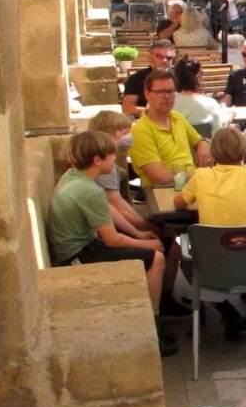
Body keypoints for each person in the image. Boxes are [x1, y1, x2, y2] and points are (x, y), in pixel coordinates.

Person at [46, 131, 177, 356]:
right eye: (111, 155)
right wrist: (149, 246)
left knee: (155, 246)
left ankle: (160, 308)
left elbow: (107, 211)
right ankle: (151, 327)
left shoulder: (74, 176)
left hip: (81, 246)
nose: (115, 159)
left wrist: (138, 233)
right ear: (97, 160)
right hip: (78, 254)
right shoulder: (90, 190)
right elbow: (112, 239)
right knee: (157, 259)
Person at [174, 127, 246, 341]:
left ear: (212, 154)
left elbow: (178, 203)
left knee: (188, 260)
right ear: (244, 153)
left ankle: (227, 313)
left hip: (212, 270)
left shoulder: (201, 176)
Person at [86, 110, 186, 312]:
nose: (128, 138)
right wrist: (147, 228)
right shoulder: (104, 171)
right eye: (123, 133)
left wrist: (145, 228)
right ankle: (161, 306)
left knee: (166, 237)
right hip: (96, 241)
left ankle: (164, 300)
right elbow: (119, 210)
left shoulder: (104, 168)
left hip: (102, 233)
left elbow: (117, 209)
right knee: (169, 243)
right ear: (108, 136)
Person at [128, 69, 212, 187]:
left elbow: (198, 140)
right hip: (164, 191)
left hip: (190, 186)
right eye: (161, 92)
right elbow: (159, 177)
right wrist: (197, 175)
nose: (167, 97)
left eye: (171, 91)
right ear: (147, 94)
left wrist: (203, 144)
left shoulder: (177, 118)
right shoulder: (141, 130)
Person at [173, 57, 230, 135]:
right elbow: (219, 131)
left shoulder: (169, 104)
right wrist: (230, 117)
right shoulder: (210, 104)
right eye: (201, 74)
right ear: (198, 77)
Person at [121, 39, 177, 116]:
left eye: (169, 58)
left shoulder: (180, 76)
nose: (164, 60)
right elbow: (127, 108)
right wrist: (153, 113)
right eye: (159, 57)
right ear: (150, 57)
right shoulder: (137, 78)